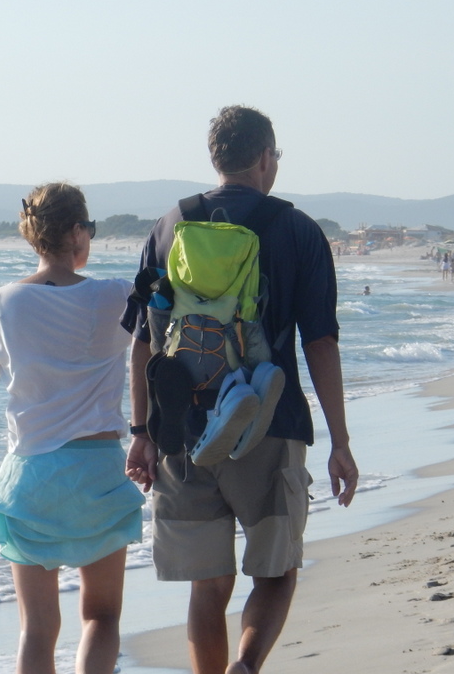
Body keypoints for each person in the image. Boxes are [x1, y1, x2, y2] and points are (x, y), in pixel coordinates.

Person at [124, 106, 359, 674]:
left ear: (215, 159)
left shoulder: (170, 225)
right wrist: (341, 442)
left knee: (208, 583)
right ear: (264, 158)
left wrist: (141, 432)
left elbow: (141, 343)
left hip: (183, 427)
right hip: (267, 423)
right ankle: (246, 668)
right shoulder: (298, 230)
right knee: (276, 572)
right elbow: (320, 342)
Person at [0, 182, 144, 674]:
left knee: (36, 629)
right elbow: (156, 354)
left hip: (31, 477)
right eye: (91, 229)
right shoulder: (117, 296)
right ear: (77, 232)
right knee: (101, 616)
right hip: (99, 473)